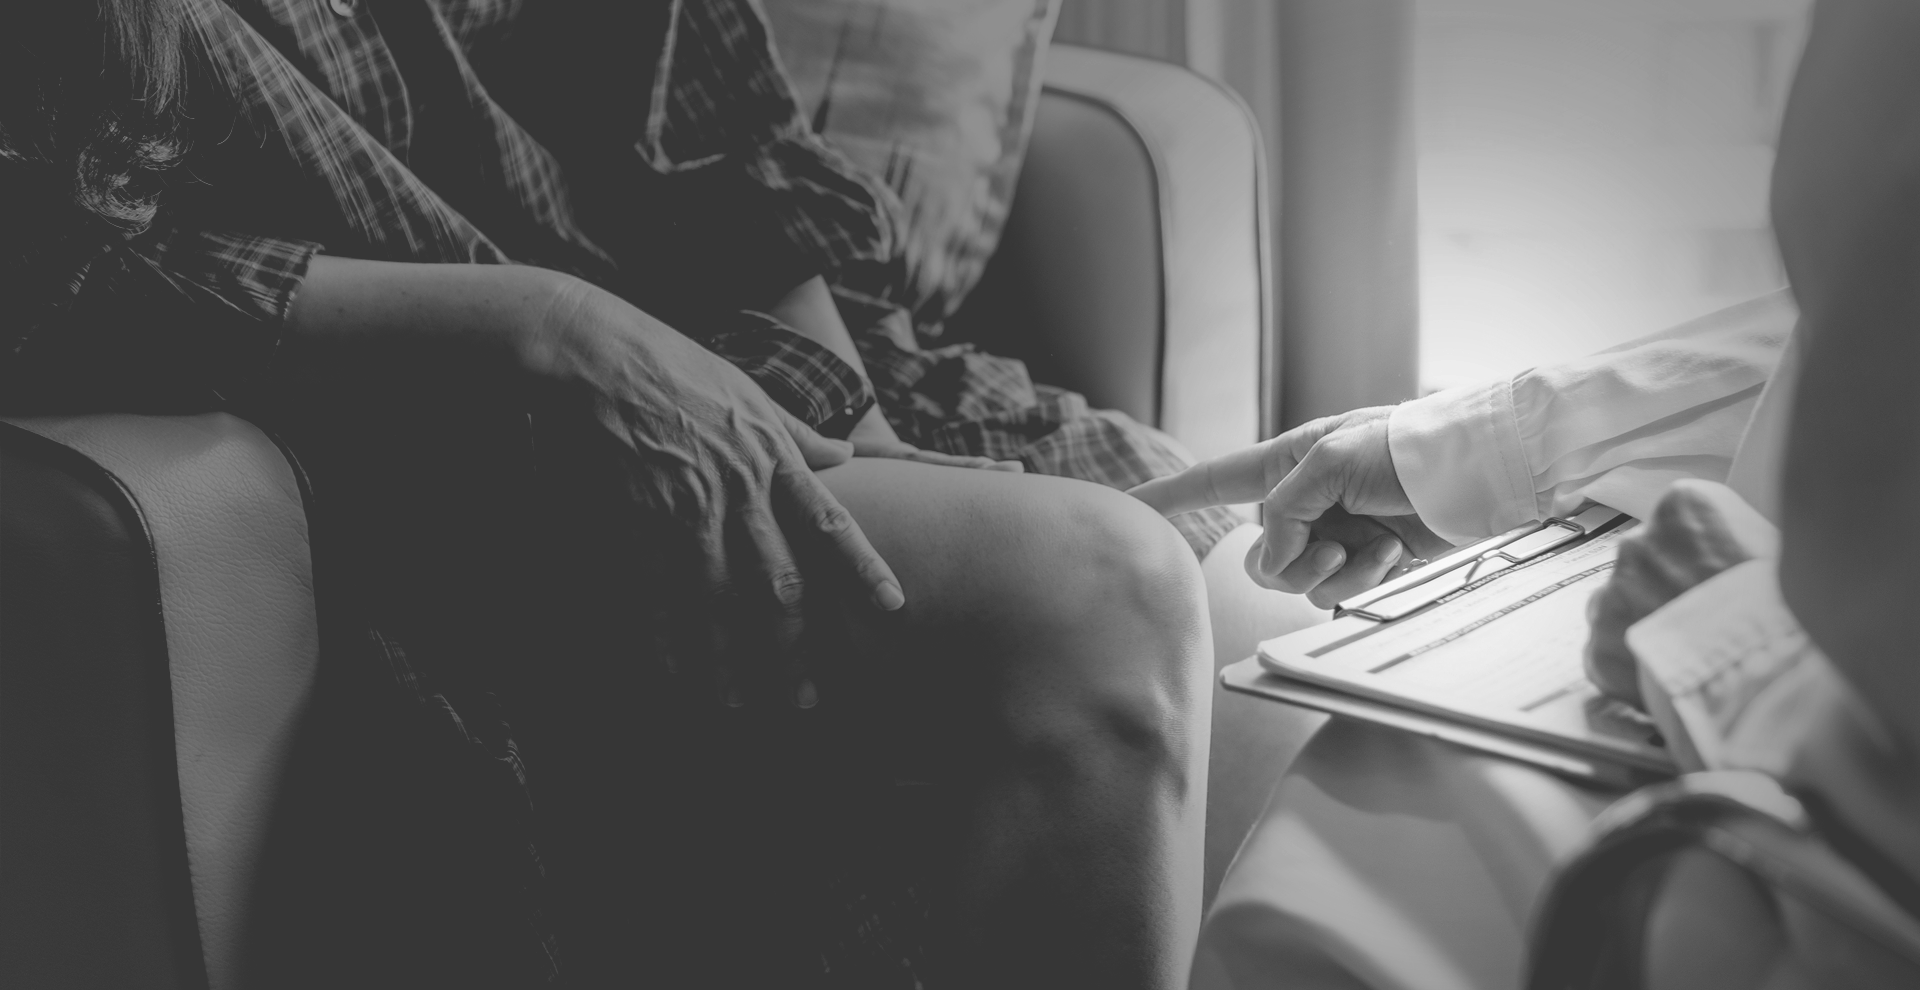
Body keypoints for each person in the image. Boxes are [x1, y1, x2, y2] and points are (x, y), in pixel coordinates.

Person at [0, 1, 1238, 986]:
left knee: (1272, 622)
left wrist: (865, 427)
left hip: (715, 354)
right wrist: (540, 323)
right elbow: (59, 258)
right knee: (1104, 591)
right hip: (413, 430)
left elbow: (725, 141)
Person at [1136, 0, 1920, 985]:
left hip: (1822, 837)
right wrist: (1458, 455)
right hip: (1750, 655)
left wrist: (1743, 643)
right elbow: (1846, 315)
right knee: (1243, 601)